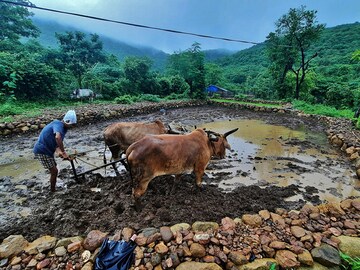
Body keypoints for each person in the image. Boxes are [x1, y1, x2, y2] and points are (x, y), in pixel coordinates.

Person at [33, 110, 77, 192]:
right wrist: (63, 152)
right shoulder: (58, 124)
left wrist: (60, 153)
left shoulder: (64, 129)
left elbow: (56, 144)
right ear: (67, 121)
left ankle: (53, 188)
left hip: (48, 151)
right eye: (72, 125)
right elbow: (57, 137)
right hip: (42, 150)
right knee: (54, 171)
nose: (72, 127)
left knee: (54, 170)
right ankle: (53, 191)